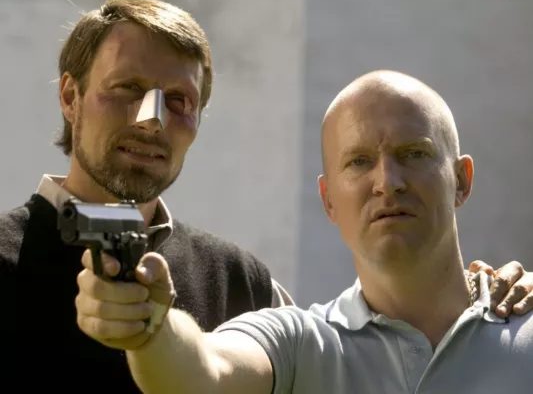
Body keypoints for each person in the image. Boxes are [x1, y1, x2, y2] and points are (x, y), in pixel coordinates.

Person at [75, 69, 533, 394]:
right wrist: (152, 328)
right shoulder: (299, 344)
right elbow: (204, 372)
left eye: (414, 154)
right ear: (328, 200)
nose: (387, 181)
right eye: (359, 161)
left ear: (462, 181)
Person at [0, 0, 291, 393]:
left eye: (178, 100)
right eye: (128, 88)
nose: (152, 121)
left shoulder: (244, 283)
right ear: (70, 97)